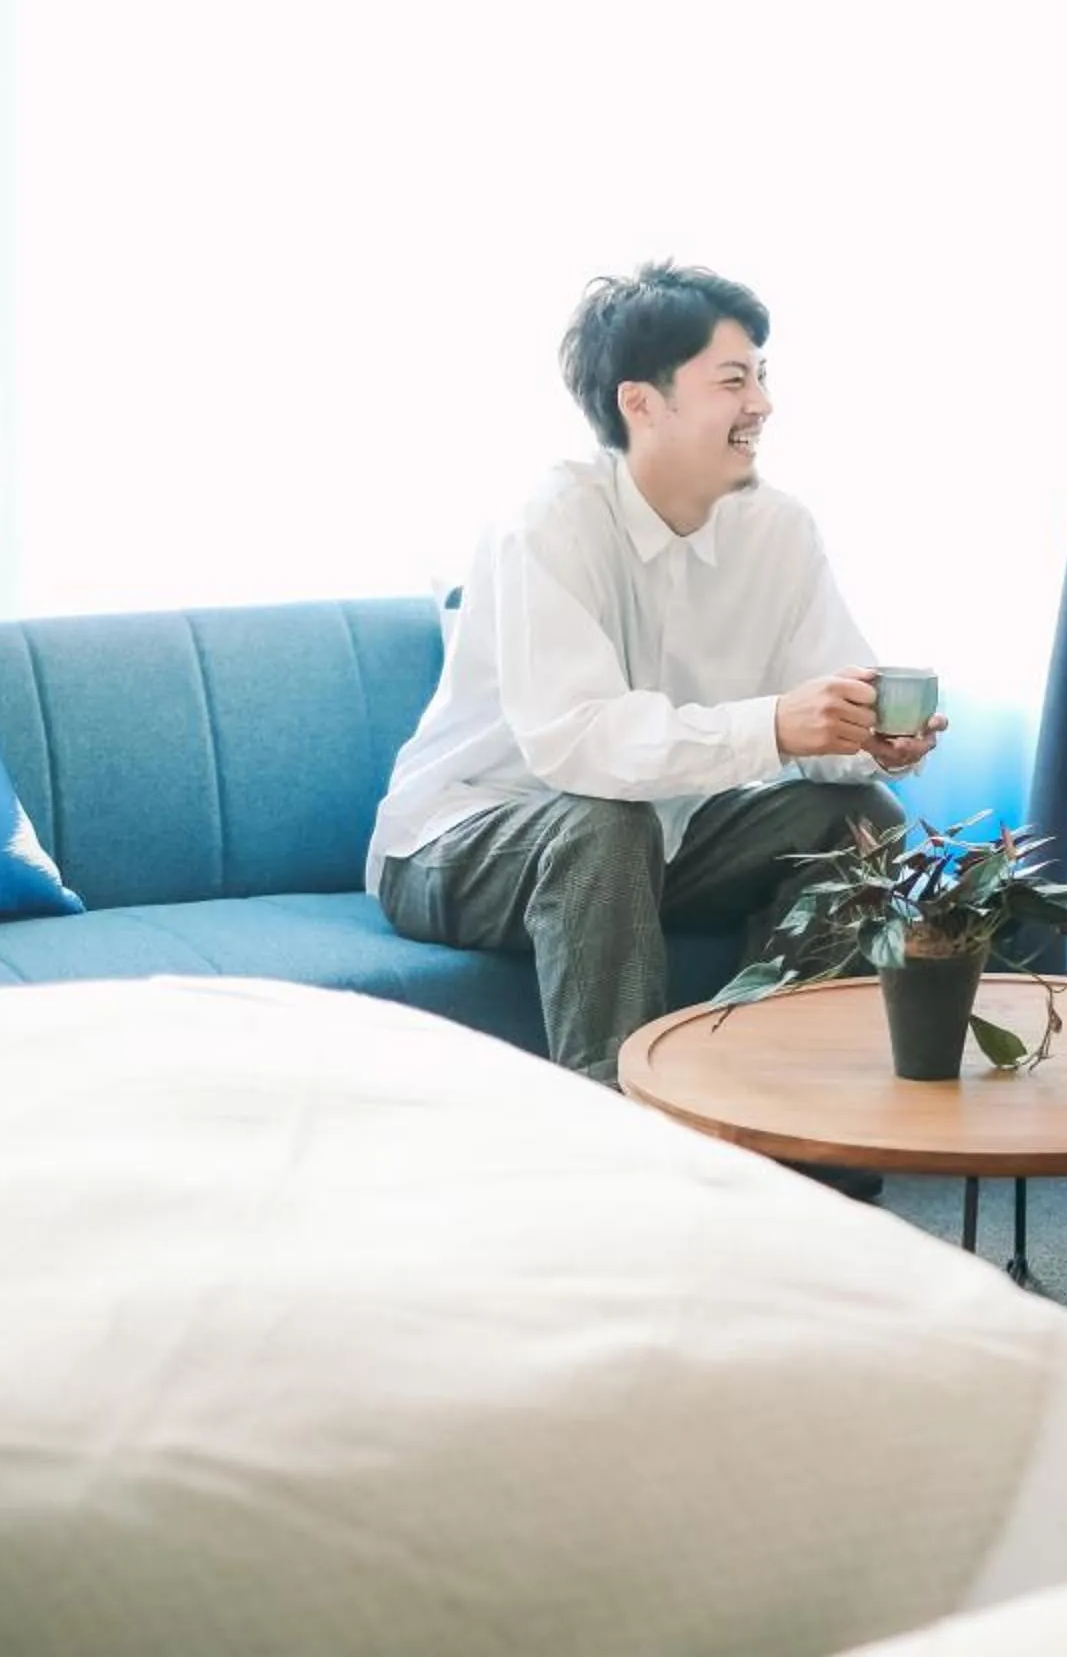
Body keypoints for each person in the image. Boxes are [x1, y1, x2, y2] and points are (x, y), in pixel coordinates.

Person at [368, 262, 947, 1111]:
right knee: (605, 822)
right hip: (464, 839)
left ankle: (769, 1107)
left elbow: (821, 712)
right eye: (733, 381)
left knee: (861, 819)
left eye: (762, 376)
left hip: (662, 840)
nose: (763, 403)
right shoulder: (550, 521)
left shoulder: (779, 529)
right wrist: (775, 727)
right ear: (642, 403)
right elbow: (578, 744)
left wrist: (871, 741)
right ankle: (629, 1143)